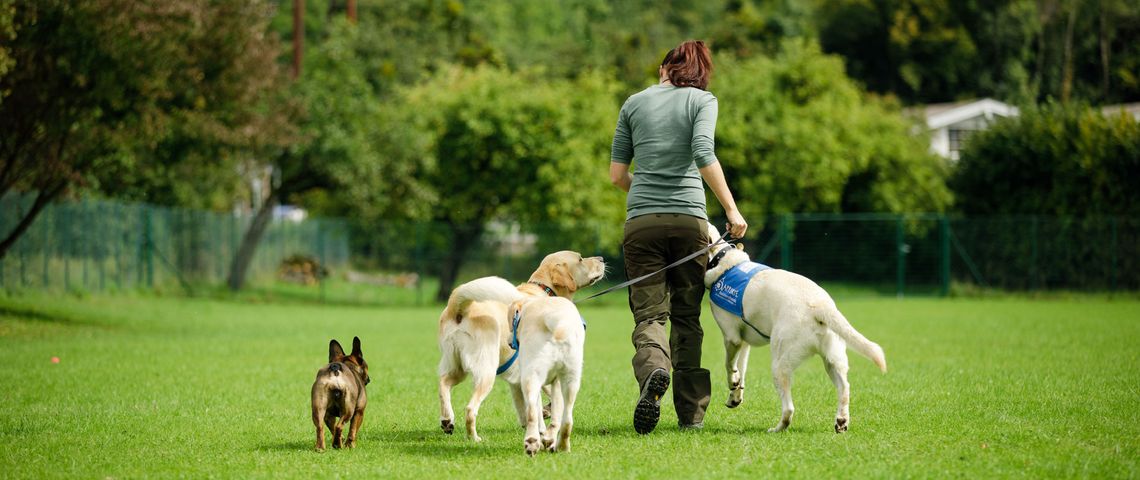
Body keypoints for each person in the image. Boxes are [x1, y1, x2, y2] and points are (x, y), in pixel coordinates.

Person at [609, 40, 748, 434]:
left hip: (642, 223)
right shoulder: (703, 102)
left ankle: (654, 371)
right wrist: (732, 210)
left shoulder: (633, 103)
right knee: (687, 317)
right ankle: (691, 414)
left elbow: (617, 176)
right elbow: (703, 151)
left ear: (667, 67)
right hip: (689, 222)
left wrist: (645, 191)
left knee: (650, 315)